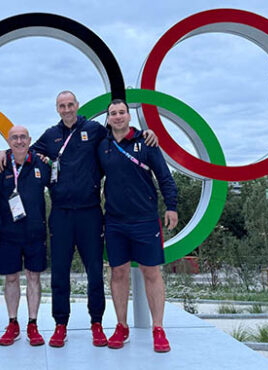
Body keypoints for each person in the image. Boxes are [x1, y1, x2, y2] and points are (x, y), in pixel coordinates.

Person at [0, 91, 157, 348]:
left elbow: (120, 132)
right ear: (57, 108)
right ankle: (61, 325)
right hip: (60, 214)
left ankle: (96, 323)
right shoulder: (50, 135)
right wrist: (4, 151)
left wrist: (145, 133)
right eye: (62, 105)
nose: (67, 109)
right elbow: (25, 149)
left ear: (77, 106)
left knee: (95, 271)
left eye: (71, 104)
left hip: (90, 212)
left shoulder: (93, 129)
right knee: (60, 272)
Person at [98, 99, 177, 352]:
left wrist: (172, 206)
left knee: (151, 272)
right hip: (114, 221)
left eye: (122, 112)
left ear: (129, 116)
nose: (118, 116)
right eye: (113, 113)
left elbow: (165, 177)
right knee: (117, 273)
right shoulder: (103, 146)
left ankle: (158, 328)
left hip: (145, 219)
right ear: (108, 118)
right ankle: (121, 327)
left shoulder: (147, 142)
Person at [0, 125, 50, 346]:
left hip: (35, 232)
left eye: (23, 137)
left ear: (30, 139)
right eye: (14, 138)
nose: (19, 141)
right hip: (9, 233)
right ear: (8, 141)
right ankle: (12, 323)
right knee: (11, 278)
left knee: (34, 278)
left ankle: (33, 325)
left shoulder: (41, 165)